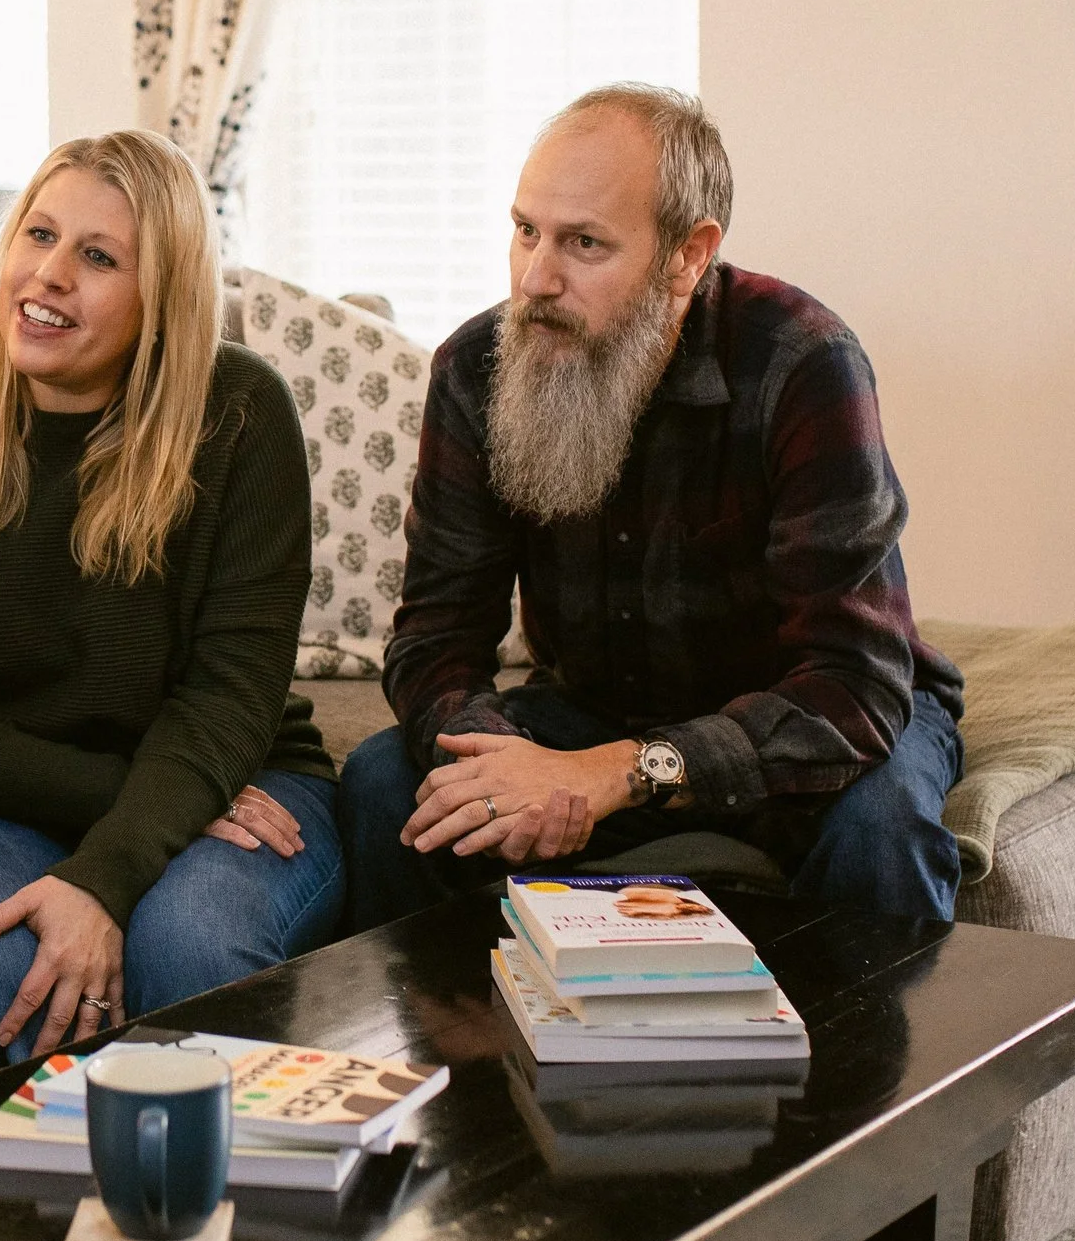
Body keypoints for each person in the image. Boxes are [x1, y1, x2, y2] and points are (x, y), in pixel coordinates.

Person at [338, 84, 968, 929]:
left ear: (688, 255)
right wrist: (504, 762)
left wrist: (617, 772)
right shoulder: (474, 370)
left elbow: (855, 684)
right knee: (390, 785)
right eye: (525, 230)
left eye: (584, 243)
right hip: (596, 706)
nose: (536, 278)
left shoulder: (804, 364)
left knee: (881, 832)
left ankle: (873, 1064)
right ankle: (466, 1052)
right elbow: (435, 639)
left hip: (805, 719)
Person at [0, 129, 344, 1070]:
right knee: (20, 968)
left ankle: (235, 1214)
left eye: (98, 257)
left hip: (218, 776)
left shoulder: (240, 414)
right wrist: (118, 814)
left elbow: (229, 692)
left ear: (163, 297)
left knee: (194, 950)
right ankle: (39, 1219)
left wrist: (109, 864)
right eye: (38, 235)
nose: (49, 275)